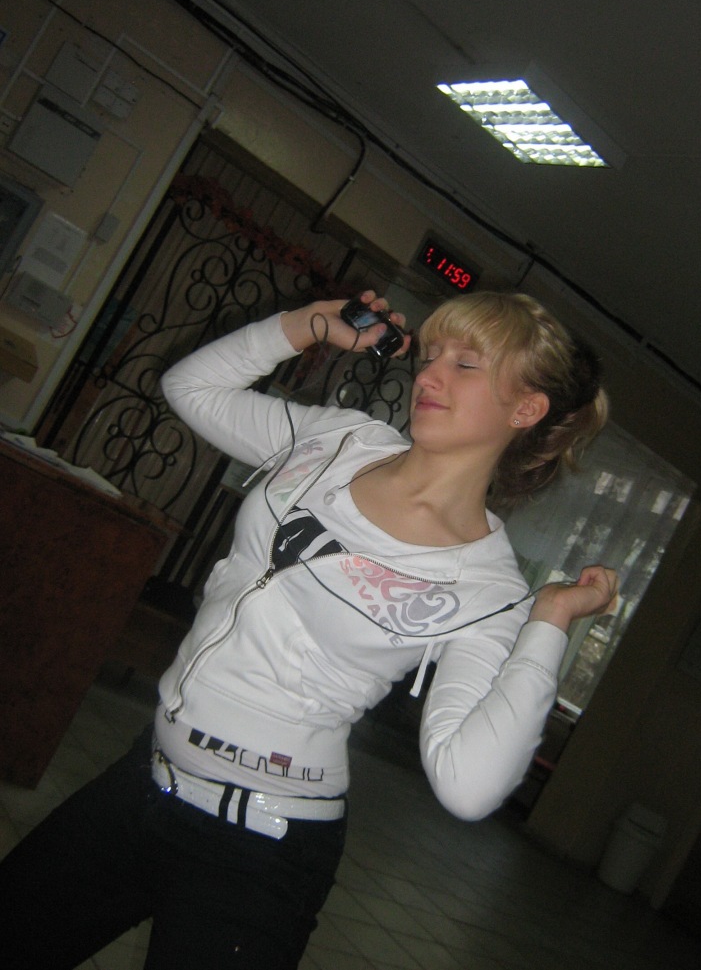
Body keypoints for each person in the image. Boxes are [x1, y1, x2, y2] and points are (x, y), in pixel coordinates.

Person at [0, 288, 617, 970]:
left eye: (465, 365)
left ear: (525, 409)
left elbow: (467, 785)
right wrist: (307, 326)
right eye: (432, 354)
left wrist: (549, 621)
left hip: (259, 855)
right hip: (144, 780)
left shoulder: (487, 589)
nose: (430, 375)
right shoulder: (342, 439)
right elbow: (190, 388)